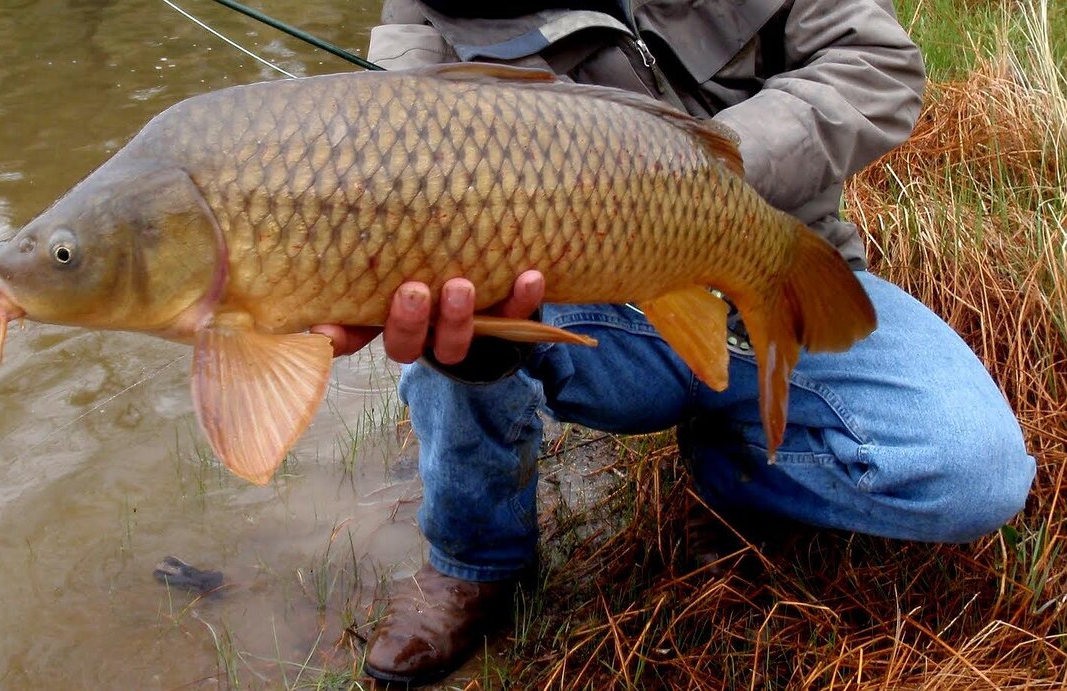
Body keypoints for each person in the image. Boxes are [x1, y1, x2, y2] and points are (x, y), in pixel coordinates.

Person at [311, 0, 1036, 684]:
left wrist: (696, 172)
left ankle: (731, 460)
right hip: (598, 310)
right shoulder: (426, 16)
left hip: (778, 259)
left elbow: (877, 64)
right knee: (446, 306)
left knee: (975, 471)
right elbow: (400, 146)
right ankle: (476, 557)